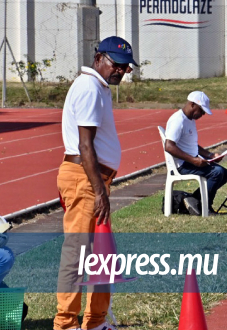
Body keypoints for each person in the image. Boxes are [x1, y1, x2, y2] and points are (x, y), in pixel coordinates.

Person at [55, 36, 137, 330]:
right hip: (85, 178)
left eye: (126, 68)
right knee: (78, 254)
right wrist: (99, 190)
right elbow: (85, 145)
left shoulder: (99, 88)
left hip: (94, 179)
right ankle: (65, 324)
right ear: (99, 57)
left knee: (101, 253)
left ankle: (95, 322)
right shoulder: (89, 87)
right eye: (117, 64)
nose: (121, 72)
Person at [164, 91, 227, 215]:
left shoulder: (189, 120)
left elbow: (192, 145)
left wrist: (210, 155)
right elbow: (169, 146)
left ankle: (194, 201)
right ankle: (204, 206)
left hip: (189, 161)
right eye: (202, 110)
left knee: (224, 173)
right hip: (181, 165)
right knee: (217, 172)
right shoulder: (178, 120)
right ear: (192, 104)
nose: (203, 114)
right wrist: (193, 160)